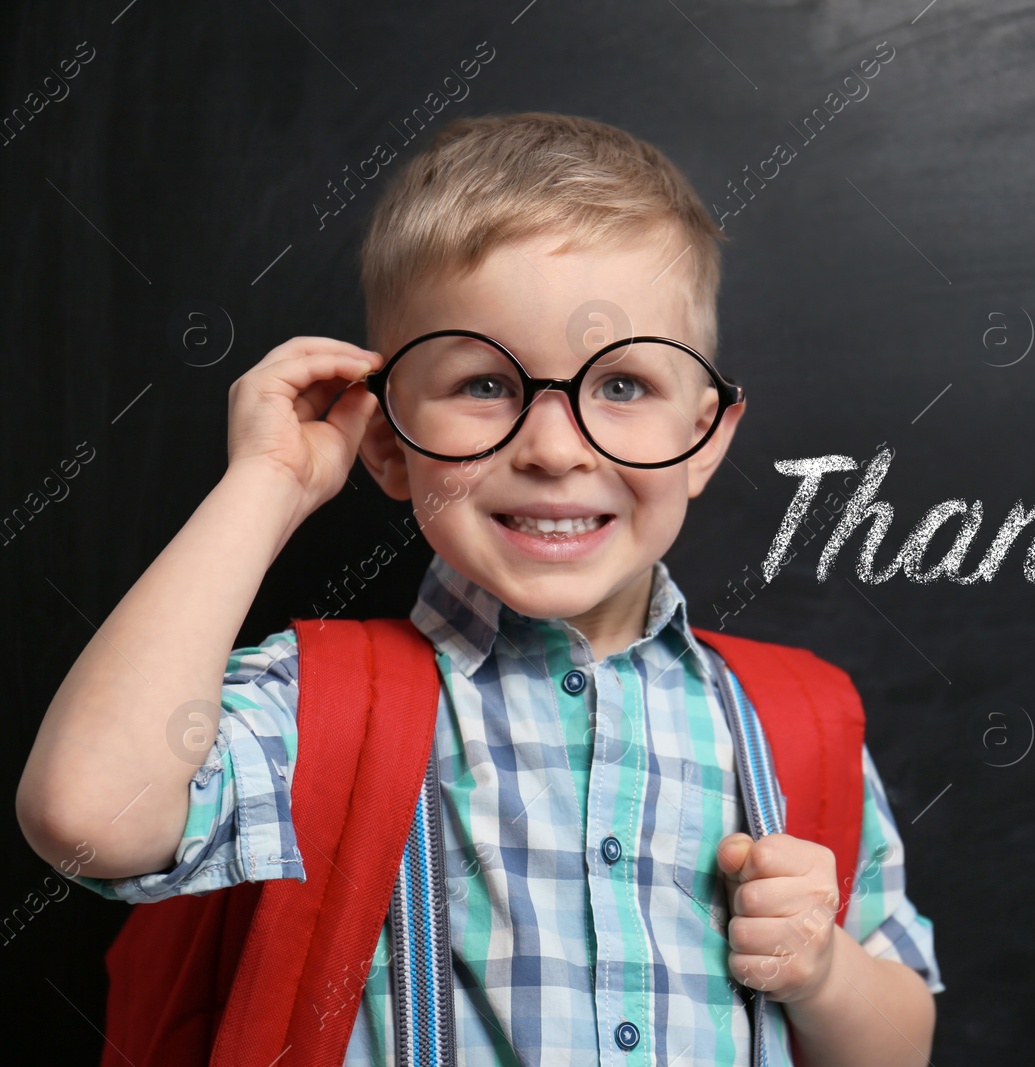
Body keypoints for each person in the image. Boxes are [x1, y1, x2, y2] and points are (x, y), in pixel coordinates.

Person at [16, 111, 940, 1065]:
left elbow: (899, 1045)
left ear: (704, 438)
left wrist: (822, 969)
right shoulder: (322, 709)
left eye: (621, 386)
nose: (552, 448)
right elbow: (87, 818)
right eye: (485, 385)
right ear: (386, 441)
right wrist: (266, 485)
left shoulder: (801, 722)